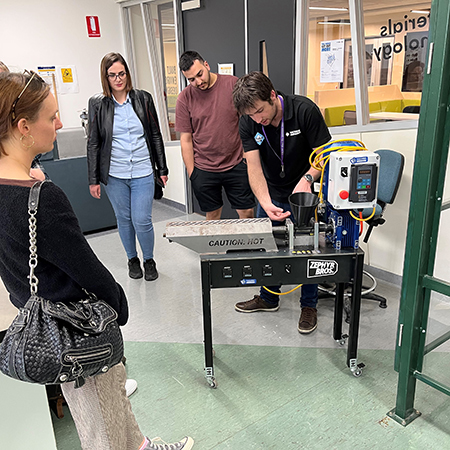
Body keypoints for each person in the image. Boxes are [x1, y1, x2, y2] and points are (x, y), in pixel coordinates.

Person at [0, 70, 194, 450]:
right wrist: (118, 303)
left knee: (114, 393)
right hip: (74, 327)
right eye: (51, 116)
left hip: (39, 319)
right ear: (24, 126)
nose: (59, 124)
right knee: (100, 426)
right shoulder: (41, 198)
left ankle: (141, 445)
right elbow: (87, 270)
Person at [232, 71, 331, 334]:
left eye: (260, 111)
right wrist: (264, 202)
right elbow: (253, 167)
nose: (257, 119)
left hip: (304, 192)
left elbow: (325, 155)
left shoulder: (305, 110)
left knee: (306, 247)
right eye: (251, 115)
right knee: (271, 246)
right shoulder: (249, 122)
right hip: (273, 189)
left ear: (273, 96)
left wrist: (308, 178)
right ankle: (268, 297)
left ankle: (309, 305)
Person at [87, 52, 168, 281]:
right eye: (112, 75)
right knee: (123, 218)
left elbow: (155, 134)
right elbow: (93, 142)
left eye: (121, 73)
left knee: (142, 219)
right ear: (106, 77)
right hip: (115, 174)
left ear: (127, 74)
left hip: (143, 169)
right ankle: (132, 259)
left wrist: (162, 169)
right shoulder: (98, 103)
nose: (118, 79)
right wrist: (93, 179)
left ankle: (149, 259)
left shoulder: (143, 98)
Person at [176, 51, 255, 220]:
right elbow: (186, 139)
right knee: (212, 215)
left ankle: (247, 247)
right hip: (204, 168)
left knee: (247, 213)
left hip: (236, 163)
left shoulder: (233, 84)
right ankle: (215, 248)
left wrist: (246, 158)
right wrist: (193, 173)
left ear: (206, 65)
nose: (198, 82)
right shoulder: (184, 98)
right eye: (191, 80)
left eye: (200, 74)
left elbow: (248, 122)